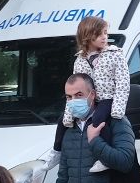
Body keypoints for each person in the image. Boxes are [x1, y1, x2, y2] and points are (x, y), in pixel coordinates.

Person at [53, 15, 131, 156]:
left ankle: (104, 155)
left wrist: (117, 110)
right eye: (99, 34)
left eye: (105, 33)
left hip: (107, 99)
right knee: (61, 121)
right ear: (87, 36)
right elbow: (74, 87)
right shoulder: (80, 60)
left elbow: (123, 84)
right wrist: (68, 115)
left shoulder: (115, 54)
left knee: (97, 119)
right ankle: (56, 152)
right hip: (88, 100)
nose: (104, 37)